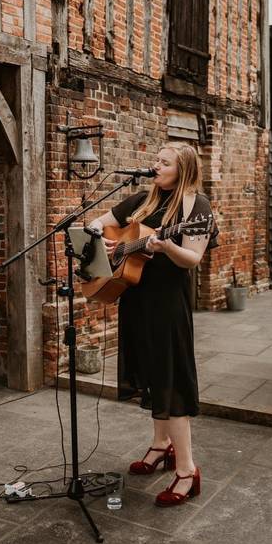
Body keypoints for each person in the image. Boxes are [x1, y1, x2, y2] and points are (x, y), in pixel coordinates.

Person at [86, 142, 217, 507]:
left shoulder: (196, 208)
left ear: (183, 169)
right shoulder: (144, 199)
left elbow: (192, 258)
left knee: (170, 380)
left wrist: (164, 247)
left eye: (164, 163)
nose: (155, 166)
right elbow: (101, 222)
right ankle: (161, 447)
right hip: (136, 299)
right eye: (155, 160)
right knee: (152, 376)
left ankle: (188, 471)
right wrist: (103, 240)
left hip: (166, 305)